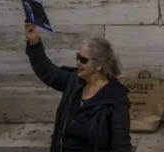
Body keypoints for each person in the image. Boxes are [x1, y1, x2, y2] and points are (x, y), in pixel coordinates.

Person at [24, 23, 131, 151]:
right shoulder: (74, 81)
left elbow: (121, 144)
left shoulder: (115, 98)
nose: (78, 63)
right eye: (78, 57)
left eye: (84, 60)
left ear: (99, 65)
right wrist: (34, 43)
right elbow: (47, 72)